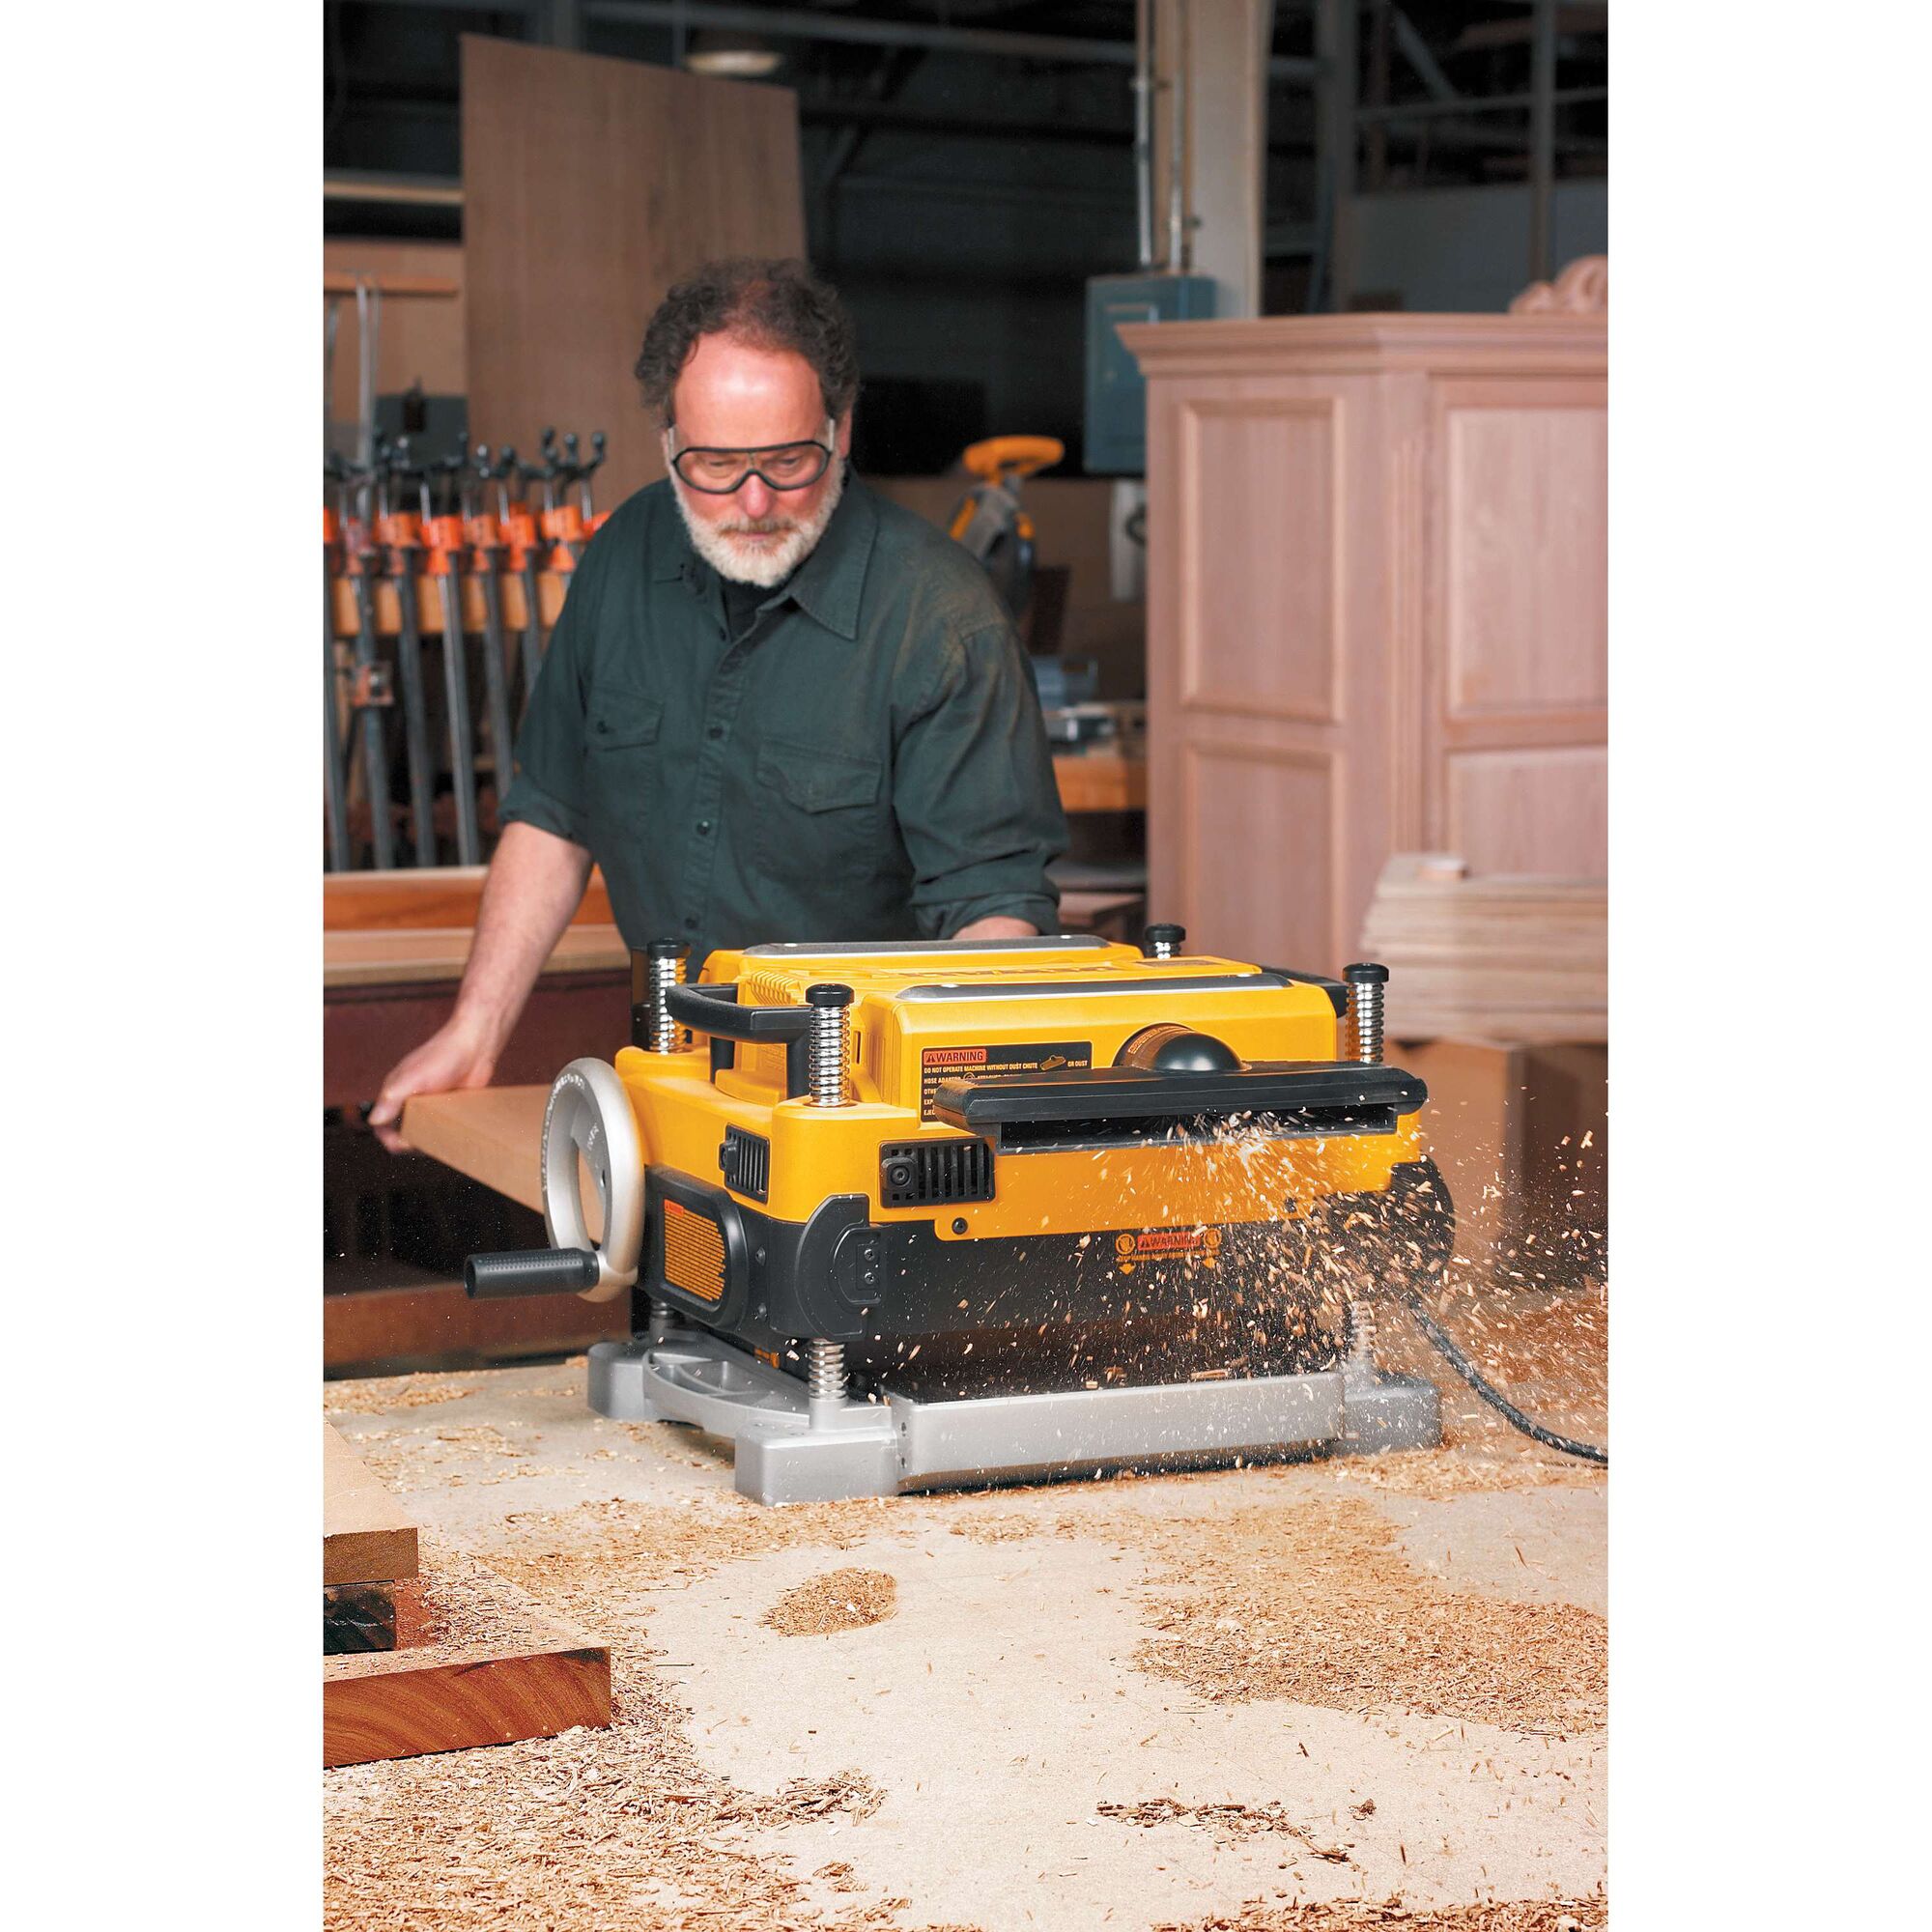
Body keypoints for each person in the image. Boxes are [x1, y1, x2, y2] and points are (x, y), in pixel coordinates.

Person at [370, 257, 1065, 1141]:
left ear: (842, 430)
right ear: (668, 444)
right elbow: (553, 812)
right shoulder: (621, 559)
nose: (752, 501)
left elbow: (994, 910)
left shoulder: (940, 622)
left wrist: (927, 1120)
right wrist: (475, 1032)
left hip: (859, 1111)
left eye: (786, 461)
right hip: (662, 1085)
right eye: (713, 465)